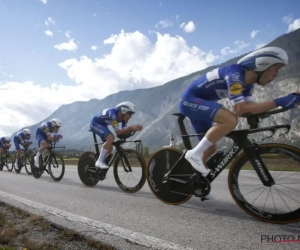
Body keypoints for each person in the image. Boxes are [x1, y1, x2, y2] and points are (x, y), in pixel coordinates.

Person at [178, 46, 300, 180]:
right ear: (263, 64)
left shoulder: (248, 84)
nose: (277, 75)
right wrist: (280, 101)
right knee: (230, 119)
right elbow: (240, 110)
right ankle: (194, 153)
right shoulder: (235, 75)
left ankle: (197, 183)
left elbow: (250, 108)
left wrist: (286, 101)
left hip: (201, 105)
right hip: (189, 102)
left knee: (209, 149)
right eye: (276, 69)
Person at [90, 101, 143, 170]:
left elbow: (123, 132)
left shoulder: (124, 119)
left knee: (110, 149)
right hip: (95, 123)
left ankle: (99, 169)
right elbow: (118, 132)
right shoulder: (113, 115)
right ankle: (99, 161)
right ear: (124, 111)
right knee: (111, 137)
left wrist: (134, 129)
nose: (131, 117)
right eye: (130, 114)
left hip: (103, 125)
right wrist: (131, 128)